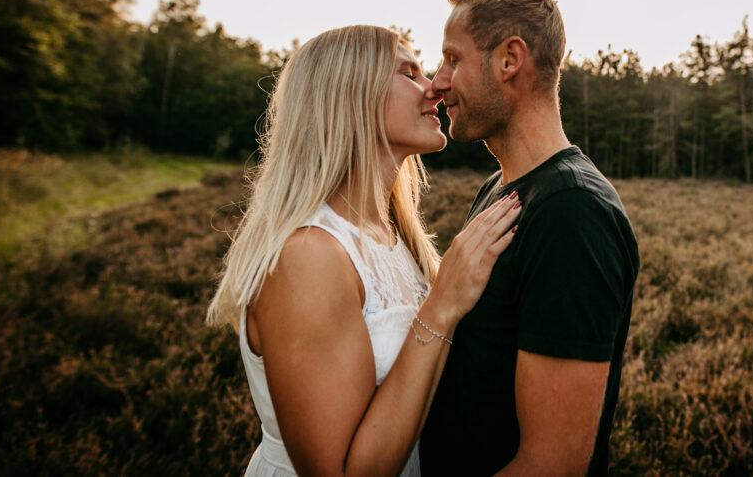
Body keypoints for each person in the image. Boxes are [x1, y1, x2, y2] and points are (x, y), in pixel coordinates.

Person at [206, 25, 522, 476]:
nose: (434, 85)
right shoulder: (309, 255)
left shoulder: (397, 238)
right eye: (409, 74)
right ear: (351, 95)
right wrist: (442, 305)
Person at [420, 0, 640, 476]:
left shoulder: (572, 212)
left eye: (453, 59)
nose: (437, 81)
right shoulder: (503, 186)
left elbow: (552, 466)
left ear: (509, 60)